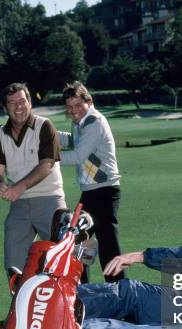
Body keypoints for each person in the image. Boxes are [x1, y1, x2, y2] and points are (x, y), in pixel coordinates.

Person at [0, 82, 66, 277]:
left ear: (30, 102)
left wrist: (20, 187)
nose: (18, 106)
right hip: (19, 204)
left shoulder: (45, 126)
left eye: (22, 101)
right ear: (5, 107)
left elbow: (47, 165)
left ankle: (68, 306)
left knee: (60, 259)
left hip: (50, 199)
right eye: (12, 103)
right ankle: (20, 306)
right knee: (14, 265)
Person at [58, 81, 124, 283]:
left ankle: (120, 294)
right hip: (91, 192)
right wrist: (49, 134)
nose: (73, 111)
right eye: (69, 107)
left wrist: (47, 157)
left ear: (89, 102)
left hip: (104, 191)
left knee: (107, 246)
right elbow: (74, 140)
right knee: (78, 240)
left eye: (78, 105)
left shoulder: (94, 121)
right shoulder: (81, 123)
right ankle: (84, 291)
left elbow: (78, 156)